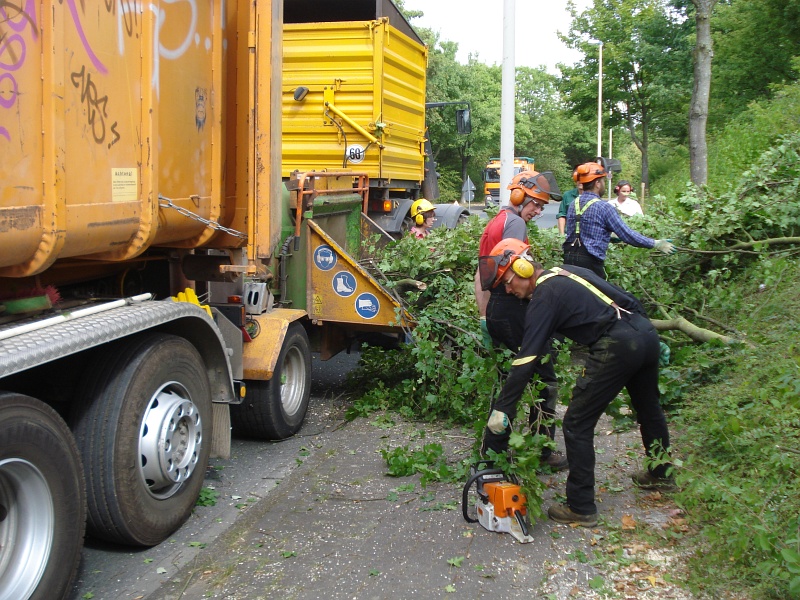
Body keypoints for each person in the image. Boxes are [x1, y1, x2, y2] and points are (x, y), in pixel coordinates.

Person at [479, 239, 675, 527]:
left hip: (616, 345)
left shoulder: (544, 297)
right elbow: (628, 298)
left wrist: (503, 408)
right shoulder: (568, 271)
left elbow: (527, 357)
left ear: (523, 268)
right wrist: (646, 336)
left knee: (576, 423)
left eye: (508, 283)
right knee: (649, 408)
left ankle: (581, 506)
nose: (508, 291)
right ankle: (661, 473)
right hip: (643, 333)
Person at [473, 171, 566, 470]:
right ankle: (542, 450)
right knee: (544, 379)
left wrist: (485, 315)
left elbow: (480, 275)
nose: (538, 211)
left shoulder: (496, 222)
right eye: (536, 204)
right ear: (518, 196)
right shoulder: (515, 224)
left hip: (498, 308)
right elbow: (518, 274)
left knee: (508, 380)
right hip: (513, 308)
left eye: (541, 206)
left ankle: (493, 451)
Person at [563, 162, 676, 279]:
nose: (604, 184)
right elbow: (627, 234)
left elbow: (579, 231)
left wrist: (608, 237)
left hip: (569, 260)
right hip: (590, 265)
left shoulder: (573, 204)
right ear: (597, 183)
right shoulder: (604, 207)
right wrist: (655, 243)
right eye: (603, 181)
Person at [557, 167, 582, 235]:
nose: (580, 181)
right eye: (578, 179)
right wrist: (562, 235)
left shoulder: (593, 197)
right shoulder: (567, 195)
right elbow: (562, 215)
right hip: (569, 234)